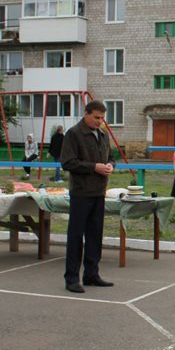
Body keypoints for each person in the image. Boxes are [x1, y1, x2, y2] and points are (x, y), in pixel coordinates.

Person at [61, 101, 115, 294]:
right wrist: (94, 167)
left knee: (95, 235)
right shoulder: (74, 134)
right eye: (96, 118)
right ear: (86, 114)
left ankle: (92, 274)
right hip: (81, 193)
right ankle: (72, 278)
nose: (99, 122)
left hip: (99, 191)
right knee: (76, 236)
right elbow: (67, 163)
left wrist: (109, 165)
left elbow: (111, 157)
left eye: (102, 118)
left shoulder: (102, 134)